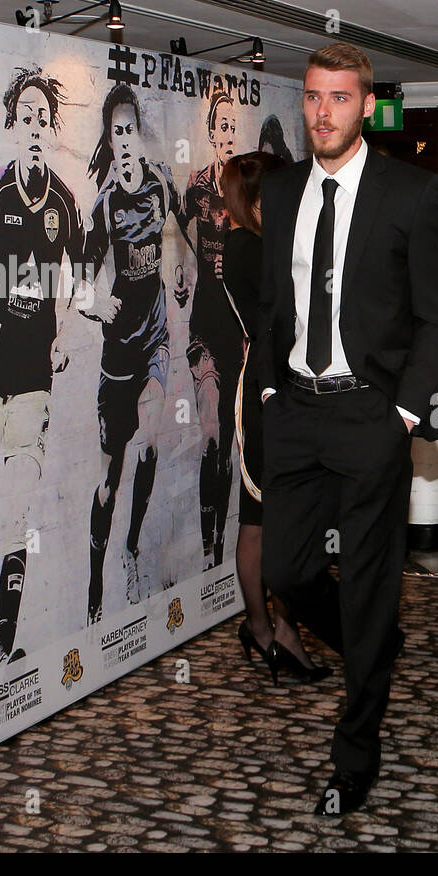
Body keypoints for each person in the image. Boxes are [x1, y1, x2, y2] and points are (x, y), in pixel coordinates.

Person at [256, 43, 438, 814]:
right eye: (311, 97)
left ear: (365, 105)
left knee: (370, 589)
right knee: (286, 568)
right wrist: (271, 389)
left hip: (371, 414)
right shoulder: (280, 194)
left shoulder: (412, 193)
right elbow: (275, 302)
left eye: (339, 98)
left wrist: (401, 415)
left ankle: (354, 756)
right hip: (297, 410)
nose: (323, 113)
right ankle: (373, 649)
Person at [0, 67, 85, 667]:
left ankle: (5, 647)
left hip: (33, 380)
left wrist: (67, 333)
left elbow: (82, 282)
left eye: (43, 119)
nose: (34, 128)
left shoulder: (63, 202)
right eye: (25, 117)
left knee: (17, 510)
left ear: (54, 131)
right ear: (12, 126)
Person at [81, 83, 193, 624]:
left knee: (149, 442)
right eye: (115, 132)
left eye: (130, 130)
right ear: (108, 138)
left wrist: (179, 269)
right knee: (109, 476)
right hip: (115, 356)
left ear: (139, 136)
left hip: (154, 342)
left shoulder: (160, 187)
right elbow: (78, 282)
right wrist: (96, 304)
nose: (123, 140)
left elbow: (174, 235)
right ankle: (96, 583)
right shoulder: (104, 205)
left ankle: (129, 549)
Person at [218, 151, 330, 685]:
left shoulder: (272, 243)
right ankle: (266, 628)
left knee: (289, 519)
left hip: (299, 390)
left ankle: (281, 627)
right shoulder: (246, 248)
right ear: (260, 201)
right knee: (264, 518)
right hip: (268, 393)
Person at [182, 91, 243, 571]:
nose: (227, 135)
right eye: (220, 126)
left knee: (230, 445)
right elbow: (182, 241)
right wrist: (184, 273)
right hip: (204, 327)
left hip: (239, 332)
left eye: (232, 127)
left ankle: (221, 542)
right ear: (209, 132)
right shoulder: (196, 188)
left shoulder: (248, 191)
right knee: (210, 434)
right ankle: (206, 547)